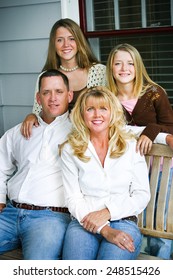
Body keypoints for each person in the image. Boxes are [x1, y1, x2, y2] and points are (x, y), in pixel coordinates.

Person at [60, 86, 150, 260]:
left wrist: (108, 212)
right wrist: (105, 229)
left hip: (124, 221)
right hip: (83, 221)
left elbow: (141, 195)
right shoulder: (70, 149)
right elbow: (73, 198)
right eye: (90, 109)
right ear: (81, 113)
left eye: (103, 108)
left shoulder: (131, 145)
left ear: (112, 112)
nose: (97, 115)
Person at [106, 43, 173, 259]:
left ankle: (161, 263)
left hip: (159, 170)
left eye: (129, 63)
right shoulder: (106, 98)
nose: (124, 68)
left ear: (138, 67)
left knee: (159, 221)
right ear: (111, 68)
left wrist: (151, 131)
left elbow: (170, 126)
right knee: (135, 219)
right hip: (125, 172)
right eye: (118, 63)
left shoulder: (154, 93)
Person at [0, 69, 73, 260]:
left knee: (36, 267)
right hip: (9, 212)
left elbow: (124, 131)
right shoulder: (19, 132)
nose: (52, 98)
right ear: (38, 98)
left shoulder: (80, 131)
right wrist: (0, 199)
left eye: (58, 91)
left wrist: (159, 136)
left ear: (69, 95)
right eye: (46, 92)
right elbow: (1, 164)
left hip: (50, 218)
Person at [21, 18, 106, 138]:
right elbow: (38, 112)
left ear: (79, 42)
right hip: (58, 137)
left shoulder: (99, 72)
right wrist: (31, 116)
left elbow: (110, 108)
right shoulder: (46, 77)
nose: (66, 45)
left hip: (92, 137)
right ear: (54, 45)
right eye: (60, 40)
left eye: (71, 39)